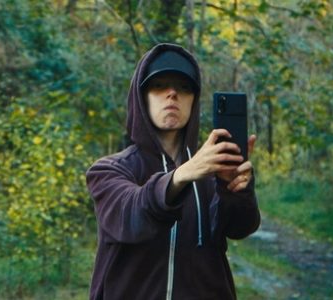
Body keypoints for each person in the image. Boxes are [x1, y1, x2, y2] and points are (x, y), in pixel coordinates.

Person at [86, 43, 260, 300]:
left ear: (194, 100)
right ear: (142, 97)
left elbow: (240, 227)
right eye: (159, 85)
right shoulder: (109, 170)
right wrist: (180, 176)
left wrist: (235, 190)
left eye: (184, 87)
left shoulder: (213, 171)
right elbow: (131, 214)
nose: (172, 94)